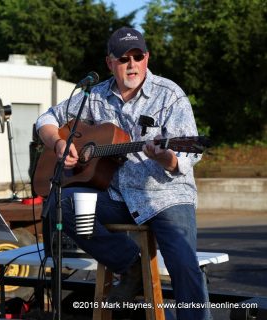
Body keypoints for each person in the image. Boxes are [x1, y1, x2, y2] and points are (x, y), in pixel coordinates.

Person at [36, 27, 210, 319]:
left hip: (164, 196)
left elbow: (184, 159)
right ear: (110, 63)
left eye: (137, 57)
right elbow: (47, 118)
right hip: (115, 196)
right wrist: (60, 142)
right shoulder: (95, 95)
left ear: (146, 58)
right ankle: (130, 266)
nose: (131, 64)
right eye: (123, 58)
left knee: (183, 263)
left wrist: (164, 156)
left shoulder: (170, 95)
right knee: (61, 204)